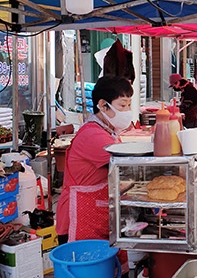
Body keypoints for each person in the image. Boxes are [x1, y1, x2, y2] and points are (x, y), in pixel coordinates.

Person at [55, 76, 133, 274]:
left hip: (97, 216)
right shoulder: (92, 135)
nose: (127, 111)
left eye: (129, 105)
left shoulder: (105, 130)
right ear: (103, 105)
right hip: (79, 220)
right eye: (122, 105)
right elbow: (128, 162)